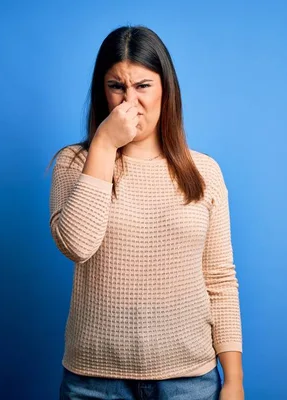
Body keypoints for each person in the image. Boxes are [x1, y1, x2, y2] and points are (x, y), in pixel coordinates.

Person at [48, 25, 244, 399]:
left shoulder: (204, 172)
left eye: (143, 85)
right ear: (101, 92)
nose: (129, 102)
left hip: (190, 381)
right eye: (116, 86)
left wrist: (234, 380)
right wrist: (104, 144)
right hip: (94, 383)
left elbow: (220, 280)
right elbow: (77, 245)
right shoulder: (73, 164)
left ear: (165, 89)